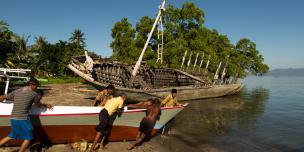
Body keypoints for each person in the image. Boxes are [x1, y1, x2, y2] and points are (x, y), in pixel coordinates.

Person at [0, 77, 53, 152]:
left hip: (13, 117)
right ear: (32, 85)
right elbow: (38, 104)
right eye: (36, 86)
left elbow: (2, 97)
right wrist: (46, 105)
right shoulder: (34, 94)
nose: (37, 88)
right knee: (29, 137)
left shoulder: (17, 91)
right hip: (22, 118)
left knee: (11, 136)